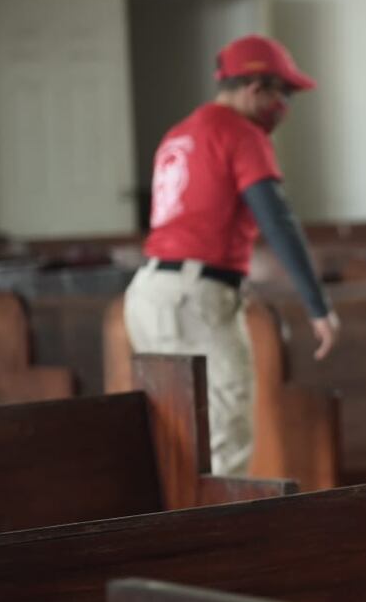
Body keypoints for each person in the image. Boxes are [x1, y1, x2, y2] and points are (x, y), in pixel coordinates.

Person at [124, 34, 339, 476]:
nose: (285, 106)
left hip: (149, 294)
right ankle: (219, 543)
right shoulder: (241, 132)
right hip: (195, 298)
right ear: (257, 89)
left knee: (175, 439)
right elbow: (277, 221)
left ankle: (175, 537)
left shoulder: (181, 132)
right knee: (223, 438)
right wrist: (318, 307)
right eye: (283, 93)